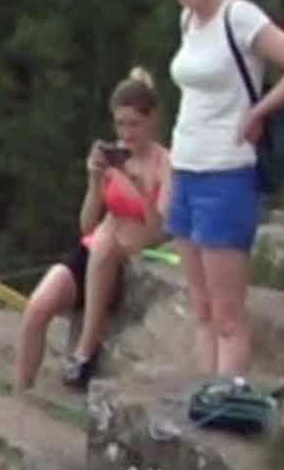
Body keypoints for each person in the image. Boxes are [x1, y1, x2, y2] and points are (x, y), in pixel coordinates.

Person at [160, 0, 284, 401]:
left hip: (226, 170)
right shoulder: (188, 23)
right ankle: (207, 394)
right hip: (187, 166)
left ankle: (227, 393)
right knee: (202, 305)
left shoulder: (240, 17)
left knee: (228, 310)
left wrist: (260, 111)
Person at [13, 69, 173, 394]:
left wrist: (142, 189)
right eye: (120, 124)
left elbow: (161, 229)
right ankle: (20, 390)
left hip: (129, 254)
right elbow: (87, 223)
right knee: (37, 308)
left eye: (134, 124)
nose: (126, 134)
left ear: (151, 120)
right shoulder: (115, 158)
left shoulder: (164, 164)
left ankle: (85, 349)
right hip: (96, 248)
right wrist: (95, 180)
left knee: (104, 244)